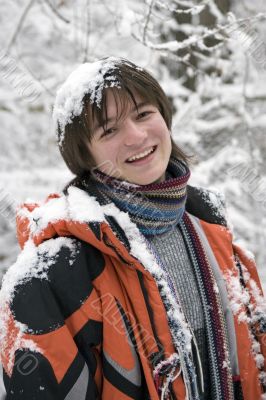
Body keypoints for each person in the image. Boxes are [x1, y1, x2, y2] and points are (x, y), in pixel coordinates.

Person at [0, 56, 265, 400]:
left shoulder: (211, 228)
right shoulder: (52, 273)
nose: (136, 136)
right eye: (109, 130)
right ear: (84, 156)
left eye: (143, 114)